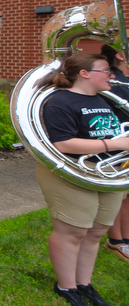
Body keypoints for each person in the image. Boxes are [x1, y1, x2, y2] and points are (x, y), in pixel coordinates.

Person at [40, 53, 126, 306]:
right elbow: (63, 142)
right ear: (85, 74)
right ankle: (66, 287)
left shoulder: (109, 99)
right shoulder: (59, 101)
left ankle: (84, 284)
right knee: (73, 231)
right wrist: (116, 144)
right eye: (105, 70)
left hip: (109, 172)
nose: (111, 75)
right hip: (73, 173)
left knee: (96, 231)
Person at [97, 44, 129, 263]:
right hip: (119, 146)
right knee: (120, 194)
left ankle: (125, 238)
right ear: (119, 55)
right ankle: (117, 240)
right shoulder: (115, 82)